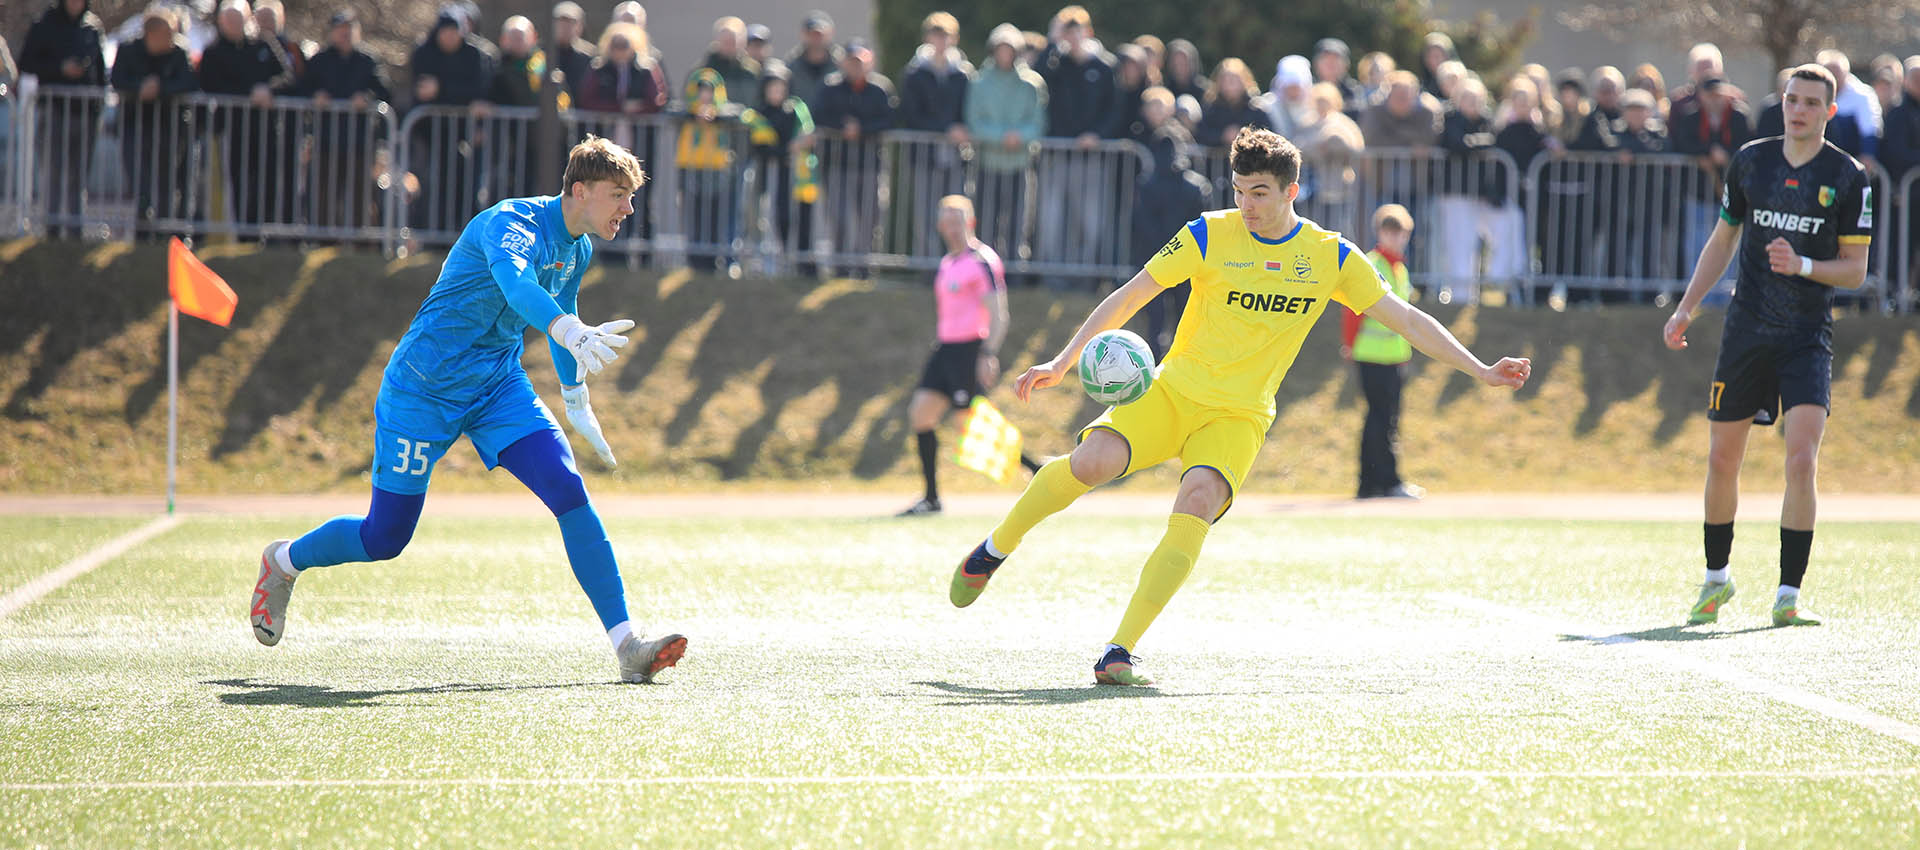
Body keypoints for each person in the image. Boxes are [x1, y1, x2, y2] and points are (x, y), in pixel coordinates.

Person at [947, 128, 1531, 685]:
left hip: (1239, 417)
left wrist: (1478, 367)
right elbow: (1132, 294)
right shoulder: (1207, 234)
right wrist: (1063, 360)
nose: (1247, 205)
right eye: (1239, 191)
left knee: (1196, 501)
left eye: (1260, 193)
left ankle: (1117, 653)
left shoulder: (1329, 256)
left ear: (1290, 192)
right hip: (1172, 392)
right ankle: (997, 547)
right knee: (1092, 462)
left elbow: (1405, 318)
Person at [249, 136, 688, 684]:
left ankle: (627, 648)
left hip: (497, 385)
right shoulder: (513, 224)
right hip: (423, 388)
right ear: (579, 190)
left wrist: (576, 397)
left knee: (568, 491)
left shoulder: (579, 247)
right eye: (617, 194)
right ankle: (285, 561)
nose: (628, 208)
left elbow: (561, 310)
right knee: (385, 537)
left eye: (630, 196)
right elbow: (519, 285)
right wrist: (570, 330)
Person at [1662, 65, 1871, 630]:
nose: (1798, 110)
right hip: (1747, 330)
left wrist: (1803, 264)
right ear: (1782, 103)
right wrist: (1686, 307)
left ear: (1829, 112)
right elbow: (1723, 238)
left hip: (1806, 337)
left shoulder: (1847, 177)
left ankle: (1788, 593)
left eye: (1811, 103)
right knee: (1721, 458)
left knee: (1801, 460)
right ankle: (1715, 579)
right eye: (1791, 100)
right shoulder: (1751, 161)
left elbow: (1855, 271)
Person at [898, 195, 1041, 515]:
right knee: (921, 414)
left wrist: (987, 353)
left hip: (968, 349)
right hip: (945, 349)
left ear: (970, 223)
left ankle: (1036, 468)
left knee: (970, 420)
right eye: (946, 222)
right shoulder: (948, 262)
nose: (951, 228)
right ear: (939, 226)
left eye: (957, 221)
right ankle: (931, 497)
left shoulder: (982, 260)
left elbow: (999, 313)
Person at [1342, 204, 1421, 500]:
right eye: (1391, 232)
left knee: (1384, 419)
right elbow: (1354, 311)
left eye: (1402, 233)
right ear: (1380, 233)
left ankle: (1372, 483)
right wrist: (1349, 345)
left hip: (1392, 355)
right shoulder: (1374, 263)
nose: (1397, 238)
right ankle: (1385, 481)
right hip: (1372, 355)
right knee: (1381, 419)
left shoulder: (1399, 267)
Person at [198, 0, 294, 233]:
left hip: (266, 126)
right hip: (233, 127)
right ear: (221, 22)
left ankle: (263, 232)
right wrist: (249, 94)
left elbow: (287, 76)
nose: (235, 24)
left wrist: (268, 89)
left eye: (239, 19)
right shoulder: (213, 52)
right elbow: (211, 85)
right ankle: (243, 233)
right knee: (239, 181)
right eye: (230, 20)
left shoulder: (263, 44)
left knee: (267, 180)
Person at [297, 10, 391, 234]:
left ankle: (360, 240)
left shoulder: (367, 60)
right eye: (341, 30)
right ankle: (321, 238)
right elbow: (301, 88)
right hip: (326, 139)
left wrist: (366, 98)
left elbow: (385, 91)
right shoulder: (319, 61)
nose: (345, 35)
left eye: (350, 30)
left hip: (359, 141)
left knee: (361, 194)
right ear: (332, 32)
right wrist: (315, 96)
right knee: (322, 192)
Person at [18, 0, 108, 234]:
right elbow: (26, 62)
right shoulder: (45, 25)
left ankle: (75, 231)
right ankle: (52, 229)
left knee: (78, 176)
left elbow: (101, 72)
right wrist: (60, 68)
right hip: (54, 110)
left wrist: (99, 104)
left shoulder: (92, 28)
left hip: (86, 113)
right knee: (53, 172)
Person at [967, 23, 1046, 285]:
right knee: (986, 221)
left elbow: (1038, 123)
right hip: (988, 163)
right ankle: (985, 274)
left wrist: (1019, 137)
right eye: (1000, 49)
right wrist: (1002, 136)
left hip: (1019, 163)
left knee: (1016, 223)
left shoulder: (1031, 84)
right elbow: (974, 121)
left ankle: (1013, 276)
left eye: (1009, 49)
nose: (1004, 54)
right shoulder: (979, 82)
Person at [406, 9, 497, 236]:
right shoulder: (424, 53)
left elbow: (478, 91)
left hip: (464, 134)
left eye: (454, 31)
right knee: (430, 185)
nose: (449, 36)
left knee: (465, 186)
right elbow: (423, 91)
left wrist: (442, 89)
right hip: (428, 134)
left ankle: (461, 236)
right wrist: (454, 95)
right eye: (444, 31)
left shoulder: (475, 55)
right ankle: (429, 235)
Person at [812, 40, 896, 278]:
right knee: (837, 217)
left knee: (869, 219)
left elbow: (888, 121)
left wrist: (862, 129)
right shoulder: (830, 87)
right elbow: (819, 116)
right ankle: (839, 267)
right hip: (836, 164)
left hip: (869, 166)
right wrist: (842, 128)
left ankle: (864, 268)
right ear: (843, 62)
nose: (855, 66)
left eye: (860, 61)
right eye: (851, 61)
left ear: (869, 62)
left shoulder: (880, 89)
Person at [110, 10, 196, 229]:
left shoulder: (178, 53)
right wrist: (140, 88)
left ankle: (165, 232)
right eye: (165, 34)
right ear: (150, 34)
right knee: (139, 179)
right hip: (134, 124)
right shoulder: (129, 50)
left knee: (167, 182)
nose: (170, 39)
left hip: (170, 127)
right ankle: (141, 230)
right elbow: (117, 79)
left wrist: (160, 88)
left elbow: (189, 83)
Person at [785, 10, 842, 109]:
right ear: (803, 35)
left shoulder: (842, 65)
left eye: (820, 35)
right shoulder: (791, 66)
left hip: (832, 123)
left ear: (830, 34)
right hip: (800, 123)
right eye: (812, 34)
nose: (816, 39)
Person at [547, 2, 594, 101]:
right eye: (561, 23)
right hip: (549, 112)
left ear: (580, 26)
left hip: (581, 113)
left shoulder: (591, 56)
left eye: (571, 23)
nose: (565, 28)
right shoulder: (541, 55)